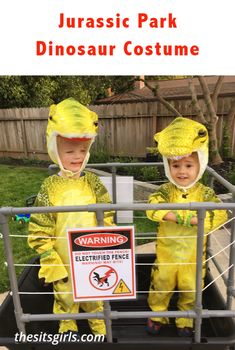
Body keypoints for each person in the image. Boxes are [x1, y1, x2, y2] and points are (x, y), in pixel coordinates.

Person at [28, 98, 114, 336]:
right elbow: (39, 227)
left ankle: (97, 320)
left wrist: (108, 241)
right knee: (65, 291)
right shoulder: (49, 187)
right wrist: (49, 256)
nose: (77, 156)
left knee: (95, 288)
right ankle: (68, 321)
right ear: (55, 150)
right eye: (69, 151)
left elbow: (106, 213)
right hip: (63, 254)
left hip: (92, 251)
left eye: (83, 150)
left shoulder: (94, 183)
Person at [145, 117, 227, 337]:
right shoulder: (164, 191)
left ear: (200, 164)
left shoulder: (206, 194)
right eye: (176, 165)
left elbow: (217, 216)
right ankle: (157, 314)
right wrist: (183, 217)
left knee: (191, 288)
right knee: (161, 284)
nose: (182, 171)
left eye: (189, 165)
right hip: (167, 254)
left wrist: (194, 219)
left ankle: (185, 318)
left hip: (193, 256)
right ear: (167, 165)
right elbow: (152, 208)